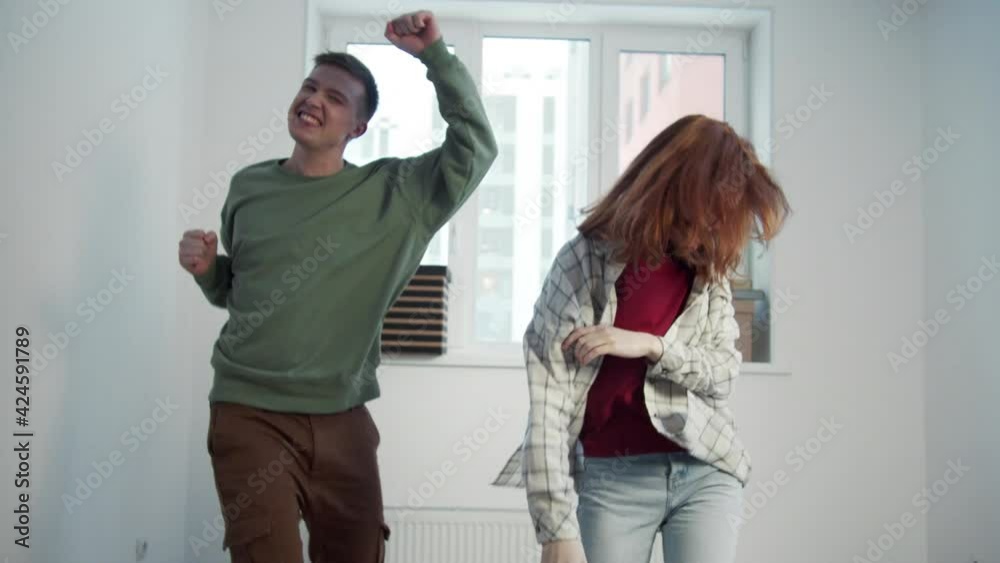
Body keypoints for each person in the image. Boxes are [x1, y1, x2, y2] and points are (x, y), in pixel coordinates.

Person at [177, 10, 497, 563]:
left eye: (335, 98)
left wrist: (435, 57)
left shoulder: (398, 195)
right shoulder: (248, 187)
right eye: (309, 87)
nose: (314, 100)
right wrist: (209, 270)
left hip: (343, 418)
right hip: (248, 411)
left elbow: (476, 147)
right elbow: (242, 291)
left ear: (358, 128)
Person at [493, 114, 790, 563]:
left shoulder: (708, 270)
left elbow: (723, 373)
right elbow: (549, 403)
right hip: (612, 479)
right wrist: (555, 529)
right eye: (714, 206)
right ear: (677, 186)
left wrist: (652, 346)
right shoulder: (583, 263)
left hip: (705, 469)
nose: (716, 223)